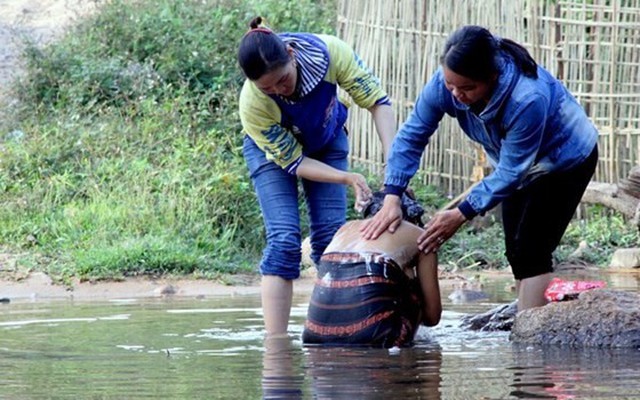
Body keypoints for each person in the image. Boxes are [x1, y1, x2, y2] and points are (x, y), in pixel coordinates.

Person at [361, 25, 599, 311]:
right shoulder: (445, 84)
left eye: (467, 88)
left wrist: (461, 213)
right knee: (515, 250)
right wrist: (392, 196)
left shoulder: (527, 98)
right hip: (513, 165)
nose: (457, 94)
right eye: (451, 86)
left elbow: (512, 172)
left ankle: (530, 337)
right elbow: (412, 135)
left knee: (532, 249)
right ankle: (527, 317)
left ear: (492, 77)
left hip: (564, 161)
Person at [237, 16, 397, 338]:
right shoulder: (253, 103)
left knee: (331, 242)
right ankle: (276, 347)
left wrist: (394, 170)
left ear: (291, 53)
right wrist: (345, 178)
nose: (278, 91)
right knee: (284, 241)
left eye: (282, 80)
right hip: (275, 154)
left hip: (326, 138)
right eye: (266, 88)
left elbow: (378, 103)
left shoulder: (330, 53)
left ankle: (333, 333)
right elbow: (294, 162)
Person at [302, 192, 442, 347]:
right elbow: (432, 317)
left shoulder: (345, 229)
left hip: (314, 337)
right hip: (372, 337)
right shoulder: (421, 236)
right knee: (409, 283)